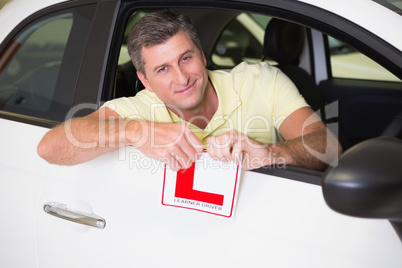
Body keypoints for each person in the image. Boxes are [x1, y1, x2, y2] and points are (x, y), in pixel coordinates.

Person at [37, 10, 341, 171]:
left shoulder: (261, 80)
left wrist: (272, 153)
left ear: (203, 56)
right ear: (145, 80)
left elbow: (328, 147)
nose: (182, 78)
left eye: (186, 58)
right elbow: (50, 147)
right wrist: (134, 131)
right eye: (163, 69)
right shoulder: (141, 108)